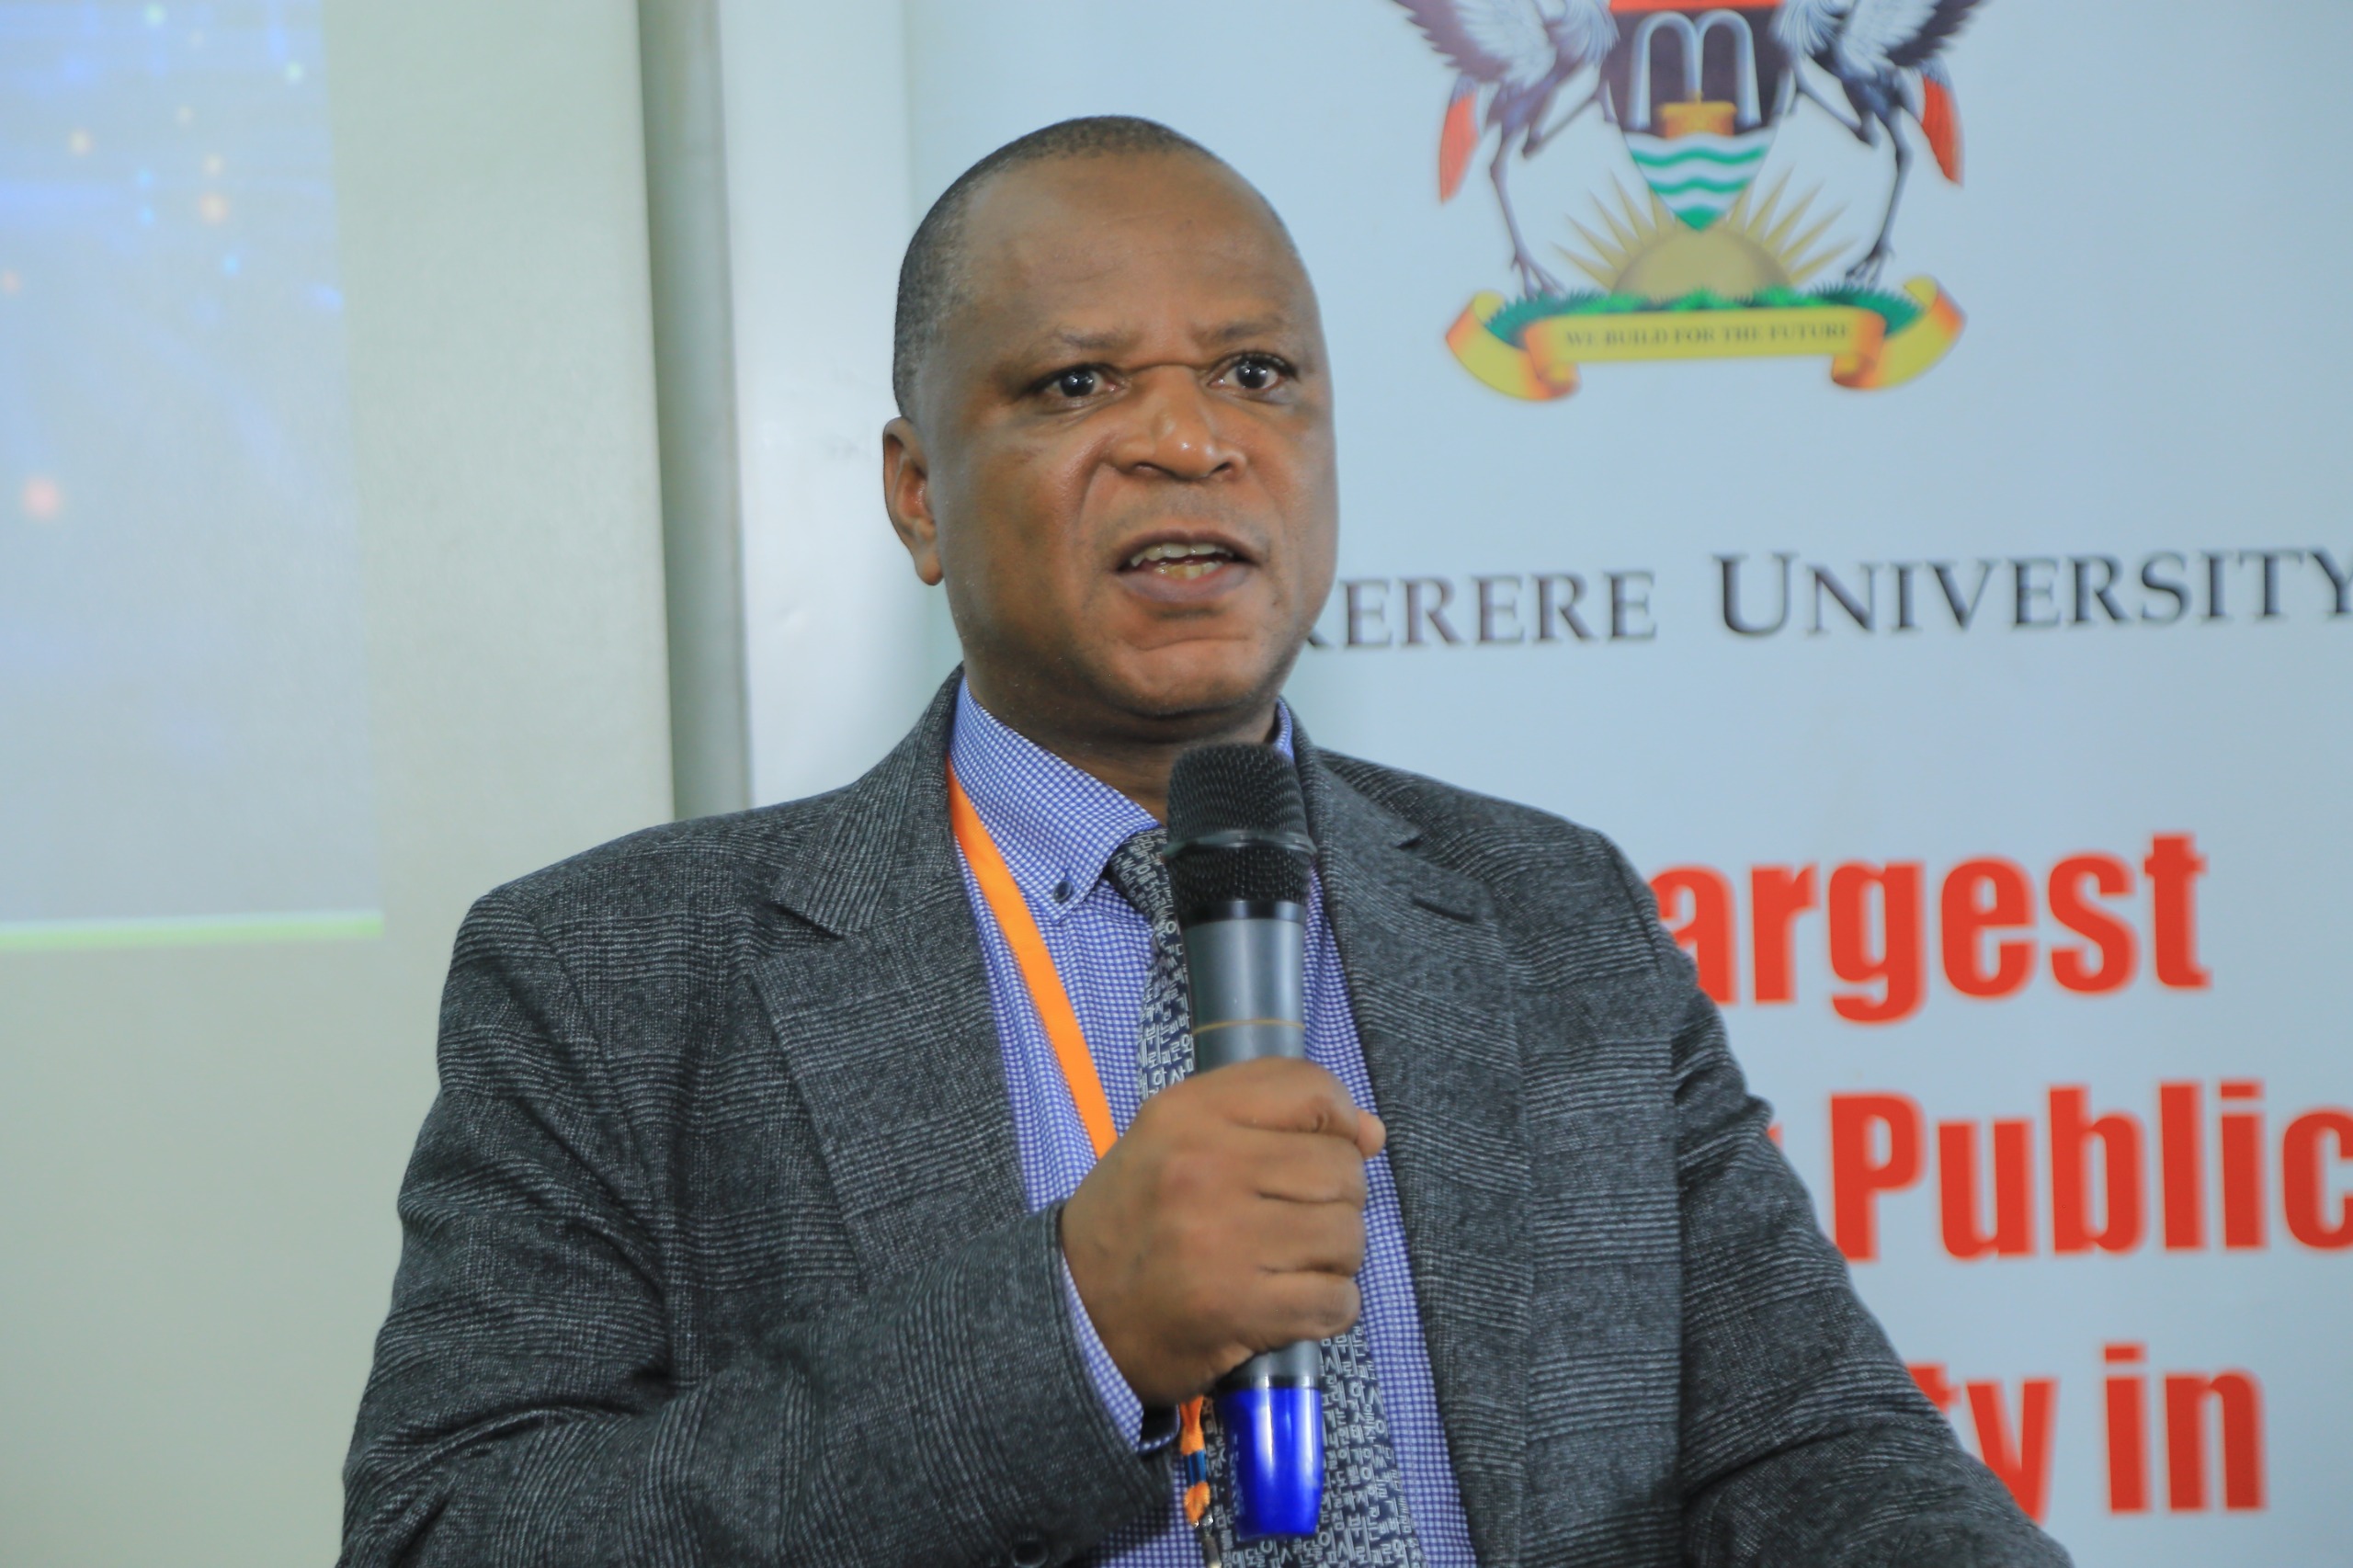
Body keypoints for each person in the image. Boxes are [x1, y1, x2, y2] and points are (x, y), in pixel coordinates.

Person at [341, 117, 2067, 1568]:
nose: (1189, 438)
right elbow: (450, 1529)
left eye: (1257, 373)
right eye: (1079, 380)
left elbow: (1810, 1442)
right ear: (917, 493)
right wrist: (1072, 1325)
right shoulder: (615, 974)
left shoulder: (1551, 912)